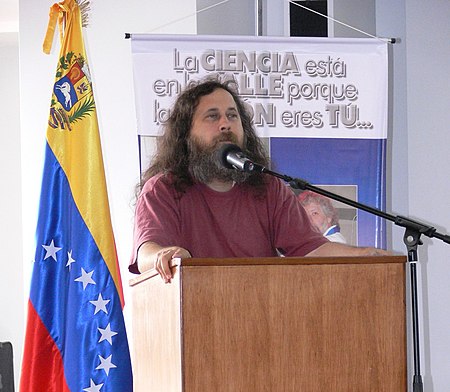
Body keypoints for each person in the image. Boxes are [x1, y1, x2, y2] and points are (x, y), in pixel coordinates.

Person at [130, 77, 389, 282]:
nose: (225, 124)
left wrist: (365, 254)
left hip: (261, 322)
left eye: (232, 116)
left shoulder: (267, 188)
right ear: (186, 134)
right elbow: (146, 254)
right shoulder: (164, 189)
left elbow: (311, 249)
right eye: (212, 116)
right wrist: (164, 255)